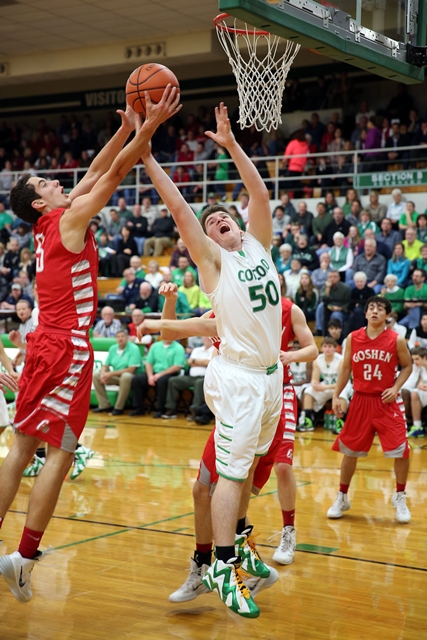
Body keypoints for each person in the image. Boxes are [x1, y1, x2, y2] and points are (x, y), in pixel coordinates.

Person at [0, 85, 181, 604]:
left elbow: (93, 175)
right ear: (40, 201)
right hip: (67, 349)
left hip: (41, 344)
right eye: (47, 182)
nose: (60, 182)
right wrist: (150, 129)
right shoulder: (70, 218)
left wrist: (125, 129)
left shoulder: (50, 222)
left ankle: (15, 552)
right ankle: (25, 558)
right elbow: (115, 176)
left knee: (21, 446)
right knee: (61, 449)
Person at [141, 101, 286, 618]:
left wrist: (230, 145)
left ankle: (235, 544)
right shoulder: (214, 263)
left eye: (223, 216)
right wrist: (147, 157)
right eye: (211, 222)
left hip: (272, 380)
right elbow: (181, 210)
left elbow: (260, 193)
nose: (217, 220)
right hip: (240, 380)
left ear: (239, 226)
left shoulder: (259, 249)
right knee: (224, 477)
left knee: (241, 474)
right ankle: (221, 564)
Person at [140, 282, 317, 600]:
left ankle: (229, 559)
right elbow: (173, 331)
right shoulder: (222, 310)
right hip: (233, 409)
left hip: (262, 405)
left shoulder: (279, 310)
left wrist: (286, 356)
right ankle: (217, 562)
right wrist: (170, 301)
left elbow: (312, 348)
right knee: (205, 491)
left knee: (235, 487)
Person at [328, 297, 412, 524]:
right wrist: (337, 395)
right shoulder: (353, 338)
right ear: (365, 314)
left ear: (387, 316)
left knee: (401, 449)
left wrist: (396, 387)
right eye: (371, 308)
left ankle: (400, 496)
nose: (375, 311)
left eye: (380, 309)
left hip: (386, 401)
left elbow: (408, 365)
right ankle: (342, 496)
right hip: (361, 399)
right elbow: (346, 368)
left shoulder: (396, 340)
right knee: (350, 451)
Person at [130, 338, 186, 418]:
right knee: (137, 379)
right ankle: (138, 408)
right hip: (154, 373)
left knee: (162, 381)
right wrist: (150, 377)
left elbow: (177, 366)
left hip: (170, 373)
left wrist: (160, 374)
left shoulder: (178, 348)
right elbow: (148, 363)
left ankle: (161, 409)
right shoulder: (155, 346)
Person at [92, 329, 143, 416]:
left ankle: (119, 408)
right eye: (118, 337)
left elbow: (131, 370)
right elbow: (105, 365)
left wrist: (110, 374)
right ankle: (104, 405)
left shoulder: (134, 348)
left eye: (122, 336)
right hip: (117, 376)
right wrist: (103, 374)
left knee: (126, 376)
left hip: (133, 377)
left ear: (127, 338)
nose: (120, 339)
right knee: (96, 375)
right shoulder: (113, 348)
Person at [162, 336, 214, 419]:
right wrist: (202, 362)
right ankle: (170, 409)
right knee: (173, 380)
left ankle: (195, 410)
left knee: (199, 383)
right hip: (191, 377)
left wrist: (195, 361)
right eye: (205, 337)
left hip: (205, 378)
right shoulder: (197, 350)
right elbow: (189, 362)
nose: (207, 339)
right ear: (202, 339)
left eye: (209, 337)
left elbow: (210, 363)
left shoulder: (214, 350)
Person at [298, 337, 343, 431]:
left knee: (342, 395)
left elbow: (342, 382)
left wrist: (324, 387)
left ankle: (340, 422)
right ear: (321, 349)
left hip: (339, 387)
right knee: (308, 391)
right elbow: (314, 379)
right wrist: (314, 384)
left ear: (335, 348)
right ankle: (308, 420)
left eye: (330, 346)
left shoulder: (341, 360)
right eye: (325, 346)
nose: (327, 349)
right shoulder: (318, 359)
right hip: (325, 386)